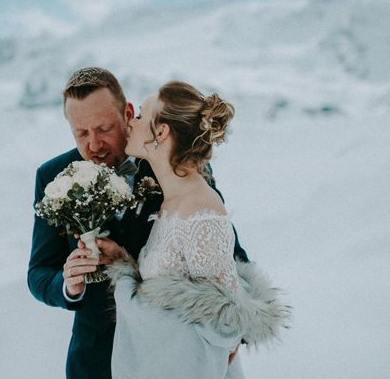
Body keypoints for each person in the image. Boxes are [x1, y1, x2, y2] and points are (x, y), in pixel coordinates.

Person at [27, 68, 249, 379]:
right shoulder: (53, 177)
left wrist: (234, 333)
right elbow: (38, 272)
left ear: (128, 115)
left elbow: (226, 248)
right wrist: (68, 286)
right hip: (96, 359)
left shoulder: (173, 163)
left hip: (175, 359)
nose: (93, 144)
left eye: (104, 128)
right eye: (80, 133)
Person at [101, 81, 291, 379]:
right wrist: (122, 260)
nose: (132, 122)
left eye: (140, 115)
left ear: (161, 132)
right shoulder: (172, 200)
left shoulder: (201, 211)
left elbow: (224, 323)